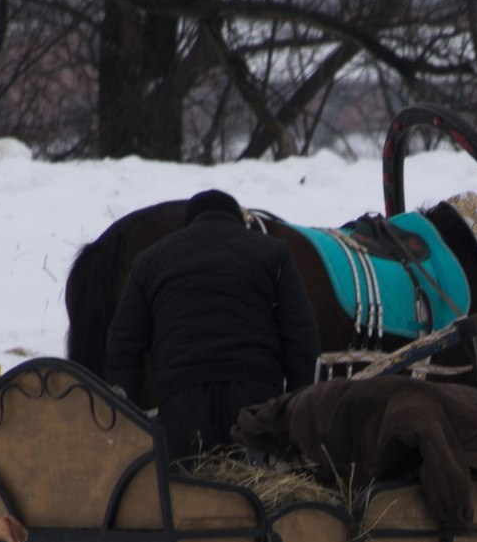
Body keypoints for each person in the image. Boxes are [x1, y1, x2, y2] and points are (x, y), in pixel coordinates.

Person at [103, 188, 318, 459]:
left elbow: (123, 344)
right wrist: (292, 413)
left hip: (182, 406)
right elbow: (301, 338)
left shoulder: (149, 261)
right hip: (255, 406)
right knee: (257, 485)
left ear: (190, 223)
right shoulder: (274, 253)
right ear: (237, 220)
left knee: (185, 484)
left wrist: (128, 416)